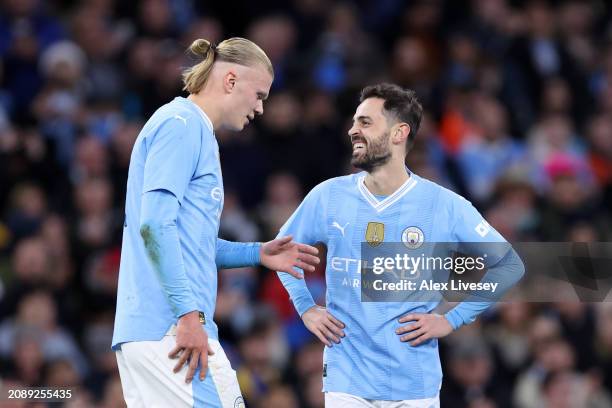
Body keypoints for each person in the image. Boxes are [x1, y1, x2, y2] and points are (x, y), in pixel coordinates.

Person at [277, 83, 525, 407]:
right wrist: (306, 308)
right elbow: (281, 252)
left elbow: (509, 265)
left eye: (365, 122)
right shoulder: (328, 196)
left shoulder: (444, 205)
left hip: (415, 385)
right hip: (346, 381)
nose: (353, 130)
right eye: (354, 121)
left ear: (399, 133)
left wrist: (451, 319)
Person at [112, 37, 320, 407]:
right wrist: (187, 317)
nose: (259, 108)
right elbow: (154, 227)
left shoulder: (194, 131)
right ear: (229, 81)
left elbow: (188, 240)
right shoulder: (181, 125)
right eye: (258, 95)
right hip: (170, 329)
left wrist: (259, 253)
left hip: (168, 328)